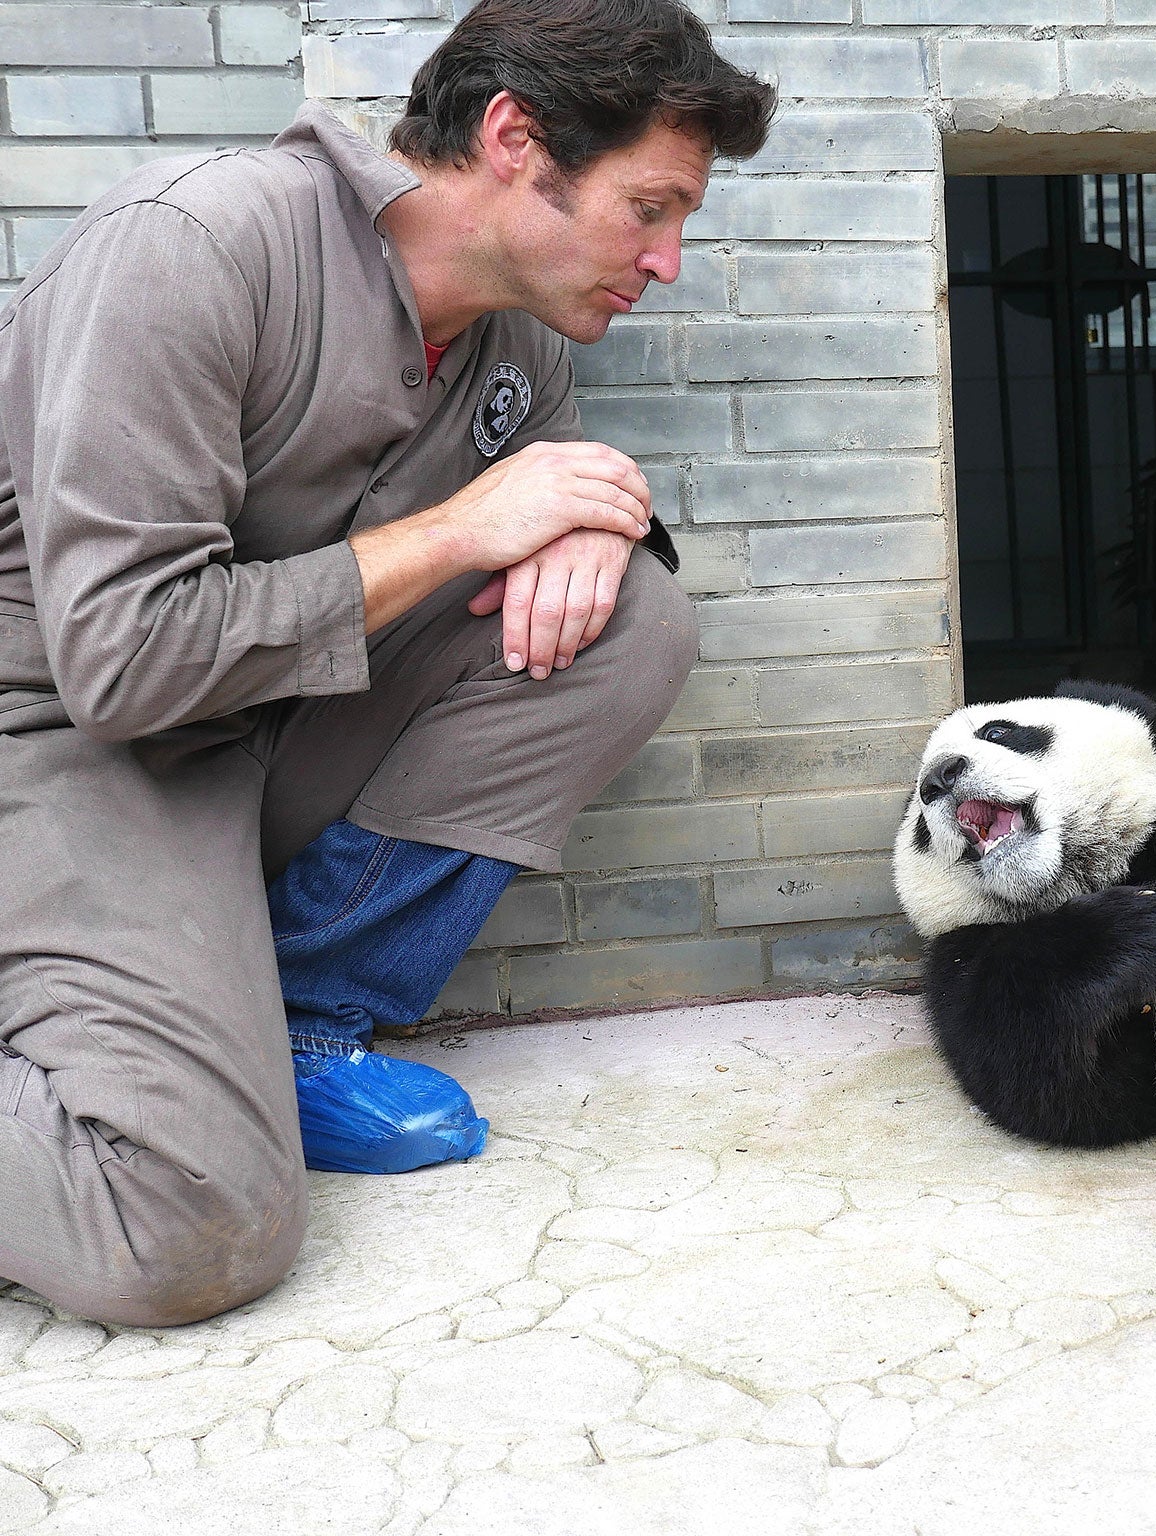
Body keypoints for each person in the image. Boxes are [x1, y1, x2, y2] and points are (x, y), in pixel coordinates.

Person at [0, 0, 774, 1326]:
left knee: (631, 618)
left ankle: (293, 1021)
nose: (669, 261)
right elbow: (122, 664)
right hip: (72, 746)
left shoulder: (520, 340)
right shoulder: (193, 246)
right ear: (517, 140)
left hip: (265, 725)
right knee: (187, 1224)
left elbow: (538, 527)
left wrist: (605, 526)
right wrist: (476, 525)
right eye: (650, 209)